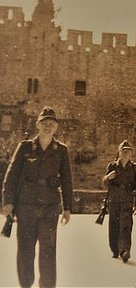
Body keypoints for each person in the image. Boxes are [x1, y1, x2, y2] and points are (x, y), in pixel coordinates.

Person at [2, 106, 73, 288]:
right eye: (44, 123)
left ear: (56, 127)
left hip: (50, 207)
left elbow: (67, 180)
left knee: (48, 251)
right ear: (37, 125)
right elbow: (12, 175)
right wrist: (8, 202)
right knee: (26, 251)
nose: (47, 127)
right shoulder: (25, 147)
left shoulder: (61, 150)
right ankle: (26, 285)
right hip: (26, 206)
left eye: (51, 123)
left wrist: (67, 208)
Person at [102, 139, 136, 263]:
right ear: (119, 152)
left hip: (127, 200)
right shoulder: (112, 166)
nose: (125, 153)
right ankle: (115, 250)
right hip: (114, 200)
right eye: (123, 151)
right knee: (114, 225)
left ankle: (125, 250)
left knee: (126, 225)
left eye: (128, 151)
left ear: (131, 153)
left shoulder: (134, 168)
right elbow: (104, 183)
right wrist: (108, 177)